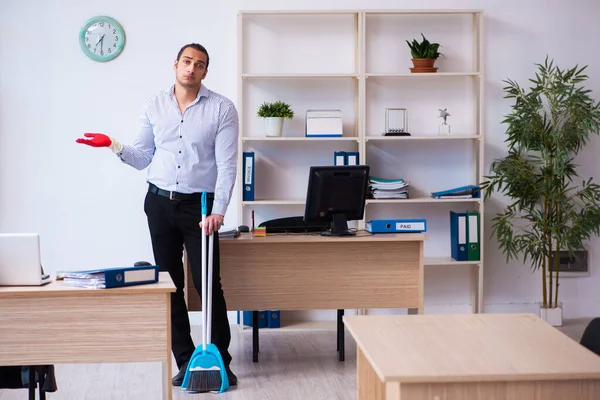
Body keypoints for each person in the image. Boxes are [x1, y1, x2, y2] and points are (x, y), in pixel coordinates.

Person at [76, 43, 239, 386]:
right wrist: (113, 145)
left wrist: (220, 211)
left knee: (209, 285)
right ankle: (185, 360)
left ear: (205, 71)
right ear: (176, 65)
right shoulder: (154, 104)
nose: (191, 68)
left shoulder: (222, 109)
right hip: (159, 203)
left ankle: (219, 361)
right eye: (186, 62)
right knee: (170, 285)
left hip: (202, 208)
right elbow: (142, 157)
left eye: (199, 64)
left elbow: (226, 166)